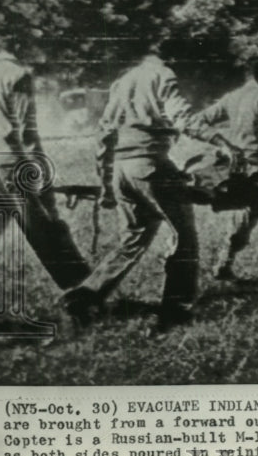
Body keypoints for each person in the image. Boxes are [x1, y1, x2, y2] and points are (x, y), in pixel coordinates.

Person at [61, 43, 241, 334]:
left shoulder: (122, 82)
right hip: (150, 166)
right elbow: (182, 117)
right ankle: (175, 311)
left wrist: (106, 180)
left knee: (133, 237)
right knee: (184, 238)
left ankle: (85, 296)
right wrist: (220, 140)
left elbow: (105, 131)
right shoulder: (162, 74)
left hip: (122, 168)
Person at [0, 41, 92, 326]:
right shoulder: (17, 75)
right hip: (12, 168)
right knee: (48, 235)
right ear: (21, 48)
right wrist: (39, 171)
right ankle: (85, 300)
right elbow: (23, 132)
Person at [198, 59, 258, 280]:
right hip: (255, 168)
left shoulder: (232, 97)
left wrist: (224, 144)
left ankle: (224, 265)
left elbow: (200, 120)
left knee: (250, 212)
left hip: (234, 168)